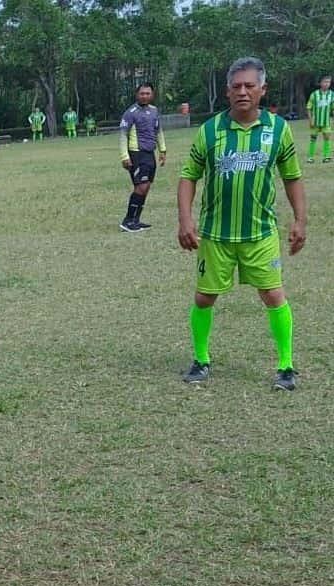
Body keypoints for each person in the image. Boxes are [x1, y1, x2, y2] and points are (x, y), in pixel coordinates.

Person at [177, 57, 306, 391]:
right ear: (227, 91)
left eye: (250, 85)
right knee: (204, 298)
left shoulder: (279, 129)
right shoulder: (210, 130)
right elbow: (189, 175)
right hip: (216, 235)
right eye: (236, 86)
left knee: (273, 295)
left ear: (263, 90)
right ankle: (201, 360)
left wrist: (300, 220)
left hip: (260, 234)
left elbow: (291, 177)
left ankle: (286, 366)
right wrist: (186, 218)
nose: (243, 92)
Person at [118, 82, 166, 232]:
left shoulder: (154, 111)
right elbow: (122, 135)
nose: (145, 96)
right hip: (136, 153)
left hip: (149, 153)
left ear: (152, 95)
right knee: (141, 186)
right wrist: (125, 156)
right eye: (142, 93)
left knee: (146, 187)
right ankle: (128, 220)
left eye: (148, 93)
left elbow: (158, 131)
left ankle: (136, 220)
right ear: (136, 94)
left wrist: (162, 150)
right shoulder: (130, 112)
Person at [305, 75, 333, 163]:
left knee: (327, 138)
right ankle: (310, 157)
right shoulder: (314, 94)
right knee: (313, 138)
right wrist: (310, 120)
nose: (327, 84)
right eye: (325, 82)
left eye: (328, 82)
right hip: (315, 121)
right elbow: (309, 107)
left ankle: (327, 156)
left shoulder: (332, 94)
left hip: (326, 122)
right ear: (320, 83)